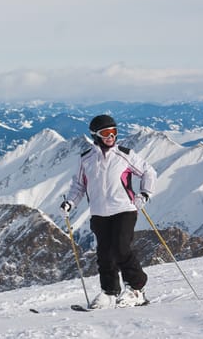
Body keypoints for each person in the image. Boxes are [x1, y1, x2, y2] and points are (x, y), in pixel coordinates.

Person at [60, 114, 157, 308]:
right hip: (99, 213)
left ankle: (137, 289)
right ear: (95, 135)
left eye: (114, 132)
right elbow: (78, 186)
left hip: (124, 209)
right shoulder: (86, 159)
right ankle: (109, 292)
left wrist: (144, 194)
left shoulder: (125, 155)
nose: (111, 137)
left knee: (122, 248)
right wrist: (70, 203)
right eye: (106, 133)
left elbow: (149, 171)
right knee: (104, 254)